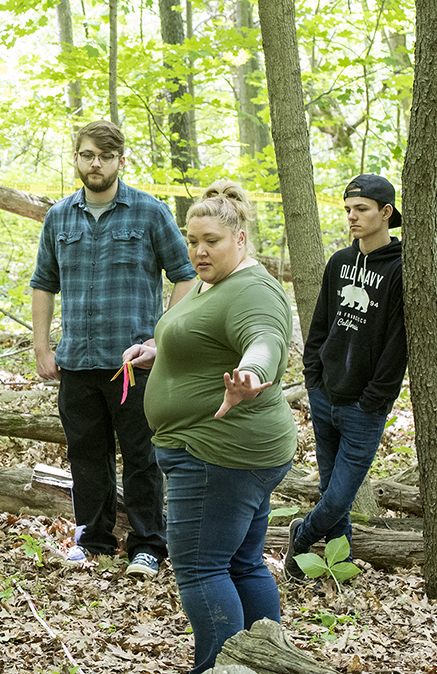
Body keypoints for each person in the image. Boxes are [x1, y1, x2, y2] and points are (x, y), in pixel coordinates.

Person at [138, 181, 296, 674]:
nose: (199, 250)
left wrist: (253, 374)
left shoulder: (253, 290)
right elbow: (206, 336)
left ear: (242, 238)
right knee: (242, 563)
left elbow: (264, 339)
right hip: (228, 452)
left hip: (217, 455)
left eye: (212, 240)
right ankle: (263, 661)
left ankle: (219, 669)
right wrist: (159, 352)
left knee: (202, 568)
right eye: (193, 240)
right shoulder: (214, 282)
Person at [30, 119, 195, 579]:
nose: (95, 163)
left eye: (104, 156)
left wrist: (160, 337)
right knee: (85, 454)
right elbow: (44, 283)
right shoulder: (60, 216)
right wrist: (42, 346)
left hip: (134, 363)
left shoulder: (149, 212)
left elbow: (185, 274)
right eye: (87, 155)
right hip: (77, 361)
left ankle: (147, 545)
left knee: (142, 455)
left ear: (121, 160)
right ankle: (93, 539)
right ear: (77, 159)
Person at [284, 174, 405, 581]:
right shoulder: (339, 262)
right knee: (329, 494)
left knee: (338, 500)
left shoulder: (402, 270)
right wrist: (313, 378)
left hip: (363, 407)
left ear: (385, 213)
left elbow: (397, 344)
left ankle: (300, 537)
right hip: (325, 395)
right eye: (348, 210)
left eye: (362, 210)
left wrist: (374, 399)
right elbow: (321, 324)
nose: (352, 217)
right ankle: (339, 566)